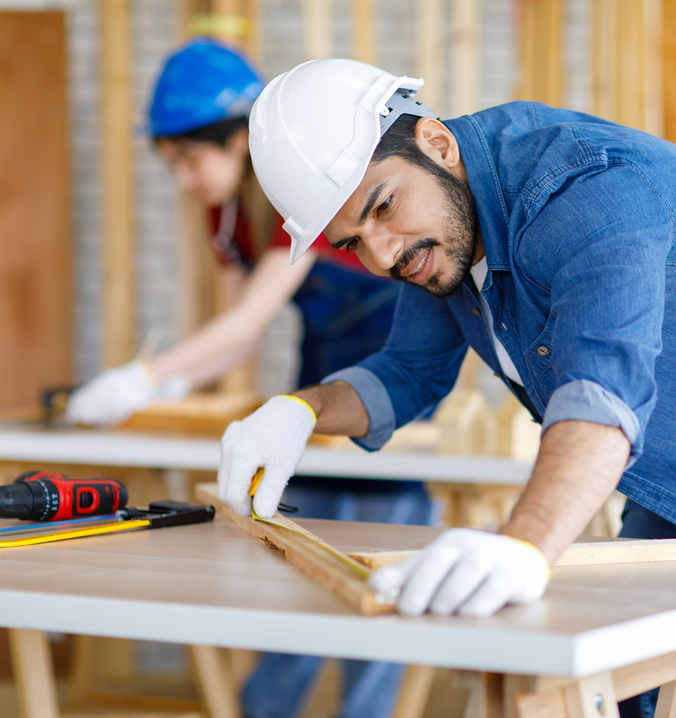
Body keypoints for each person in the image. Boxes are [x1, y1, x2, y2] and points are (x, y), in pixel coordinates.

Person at [217, 58, 676, 718]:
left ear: (435, 142)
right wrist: (296, 411)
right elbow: (407, 372)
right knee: (628, 680)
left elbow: (604, 390)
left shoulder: (583, 188)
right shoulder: (440, 231)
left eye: (380, 207)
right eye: (350, 243)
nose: (381, 253)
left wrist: (524, 544)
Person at [64, 41, 432, 718]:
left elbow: (241, 328)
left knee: (383, 575)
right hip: (318, 364)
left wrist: (141, 377)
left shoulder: (307, 187)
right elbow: (241, 327)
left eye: (191, 160)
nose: (184, 180)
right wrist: (172, 384)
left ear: (242, 141)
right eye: (172, 164)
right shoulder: (226, 212)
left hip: (391, 359)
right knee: (292, 563)